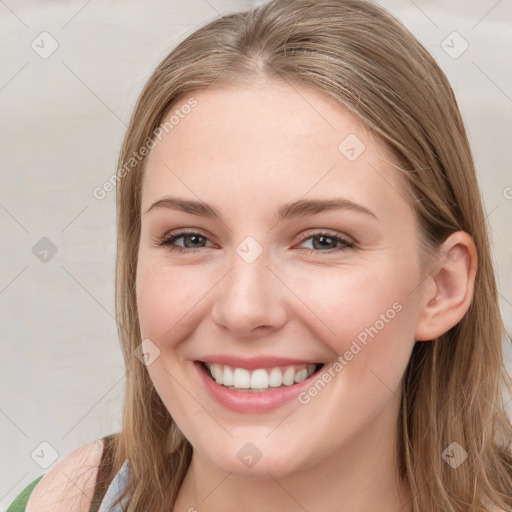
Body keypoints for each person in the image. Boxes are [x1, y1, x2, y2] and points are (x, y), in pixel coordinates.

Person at [9, 0, 512, 511]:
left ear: (441, 287)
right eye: (190, 239)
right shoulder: (62, 499)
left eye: (323, 241)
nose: (243, 309)